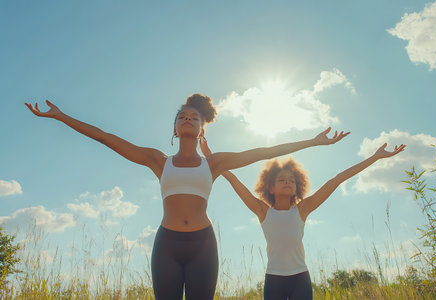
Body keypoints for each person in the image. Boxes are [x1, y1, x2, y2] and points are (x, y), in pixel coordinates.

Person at [25, 95, 348, 300]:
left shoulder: (215, 163)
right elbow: (105, 137)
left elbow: (265, 151)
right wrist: (60, 116)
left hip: (202, 246)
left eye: (195, 117)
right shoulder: (158, 161)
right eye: (182, 117)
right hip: (167, 244)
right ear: (175, 129)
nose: (188, 119)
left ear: (202, 129)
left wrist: (313, 142)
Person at [200, 138, 405, 300]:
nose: (287, 182)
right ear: (270, 187)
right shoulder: (263, 211)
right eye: (281, 180)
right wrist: (212, 159)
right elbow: (234, 179)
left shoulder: (302, 209)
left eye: (291, 180)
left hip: (300, 278)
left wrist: (375, 157)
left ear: (297, 187)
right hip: (274, 279)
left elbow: (337, 179)